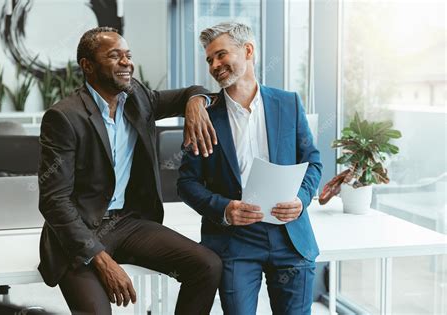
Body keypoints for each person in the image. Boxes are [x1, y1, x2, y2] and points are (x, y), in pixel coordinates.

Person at [38, 26, 221, 315]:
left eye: (128, 55)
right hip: (79, 231)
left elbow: (192, 91)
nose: (127, 62)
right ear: (87, 66)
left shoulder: (140, 98)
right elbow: (54, 201)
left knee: (208, 266)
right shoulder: (64, 117)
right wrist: (98, 256)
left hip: (127, 223)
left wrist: (196, 103)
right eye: (114, 56)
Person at [178, 22, 323, 315]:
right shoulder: (203, 116)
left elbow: (313, 162)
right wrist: (224, 208)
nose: (215, 65)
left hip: (290, 236)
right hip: (235, 242)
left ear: (248, 50)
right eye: (209, 60)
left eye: (221, 55)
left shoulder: (288, 103)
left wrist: (301, 199)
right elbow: (186, 183)